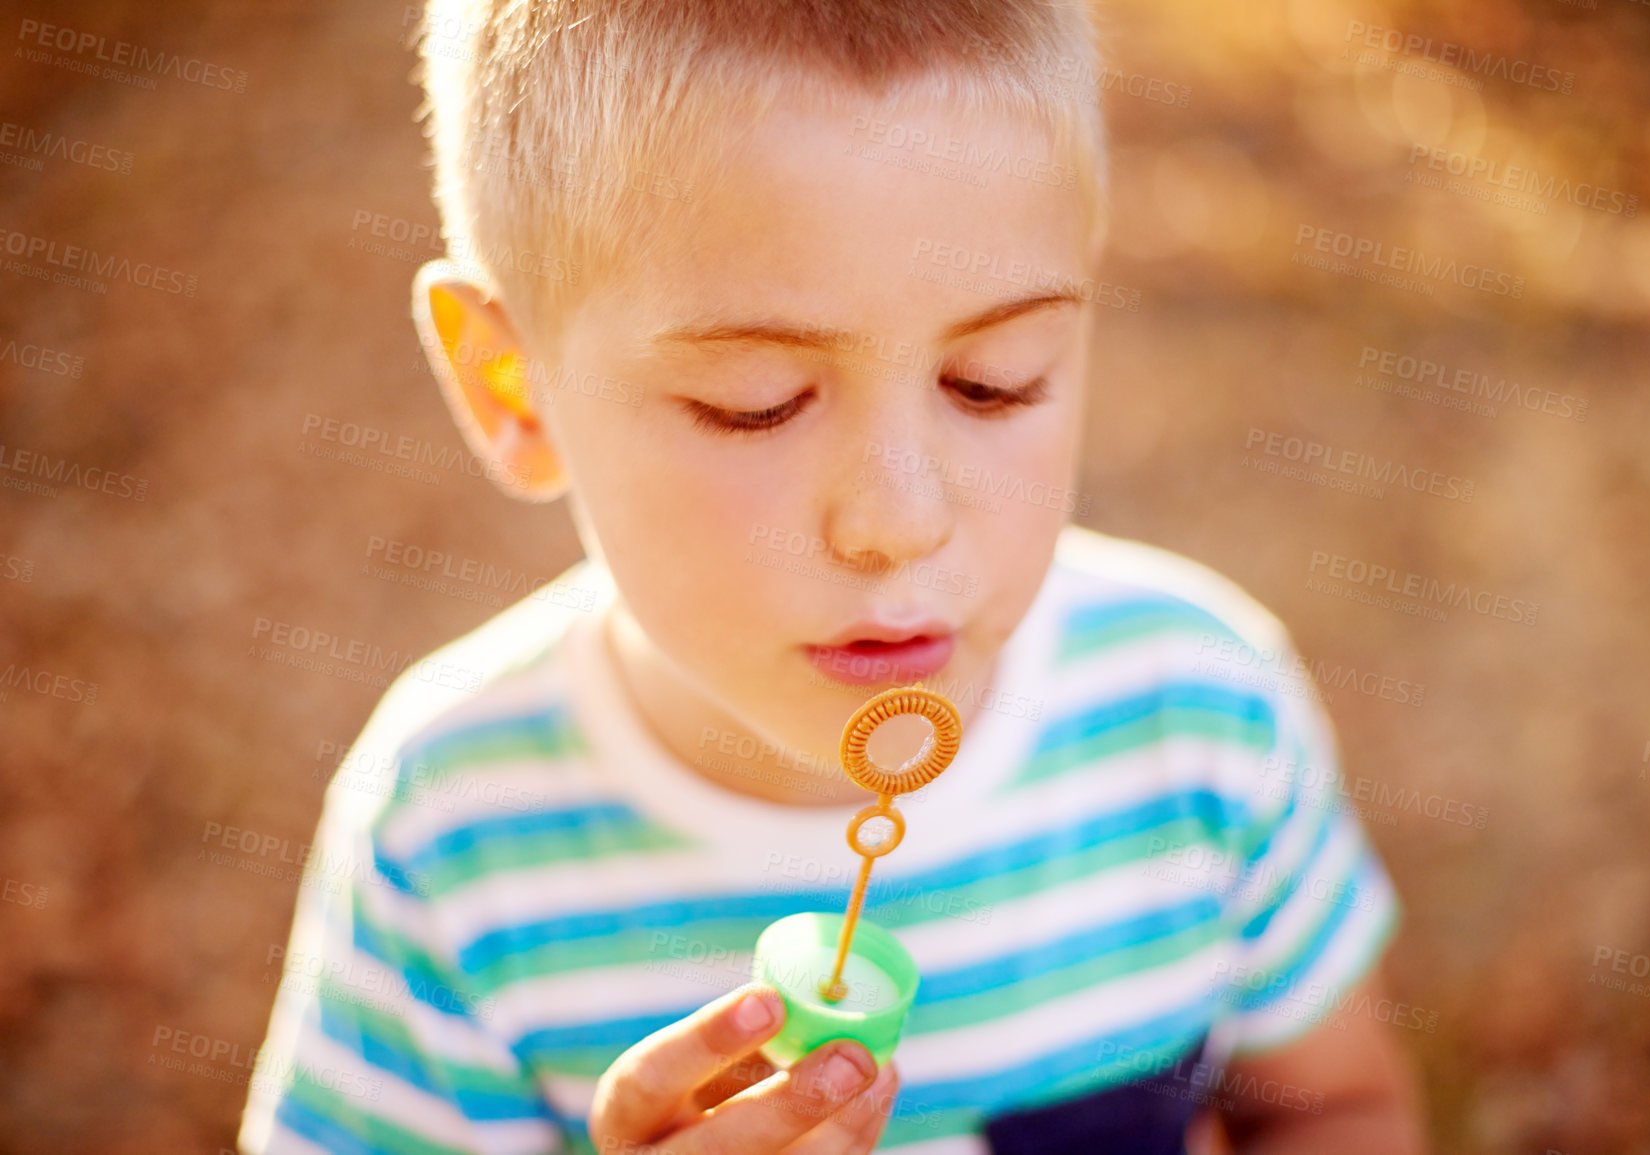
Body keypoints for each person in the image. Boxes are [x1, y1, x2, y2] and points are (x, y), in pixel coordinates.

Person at [239, 1, 1426, 1151]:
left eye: (995, 380)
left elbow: (1346, 1110)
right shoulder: (449, 839)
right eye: (756, 405)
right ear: (514, 387)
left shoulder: (1200, 707)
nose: (900, 523)